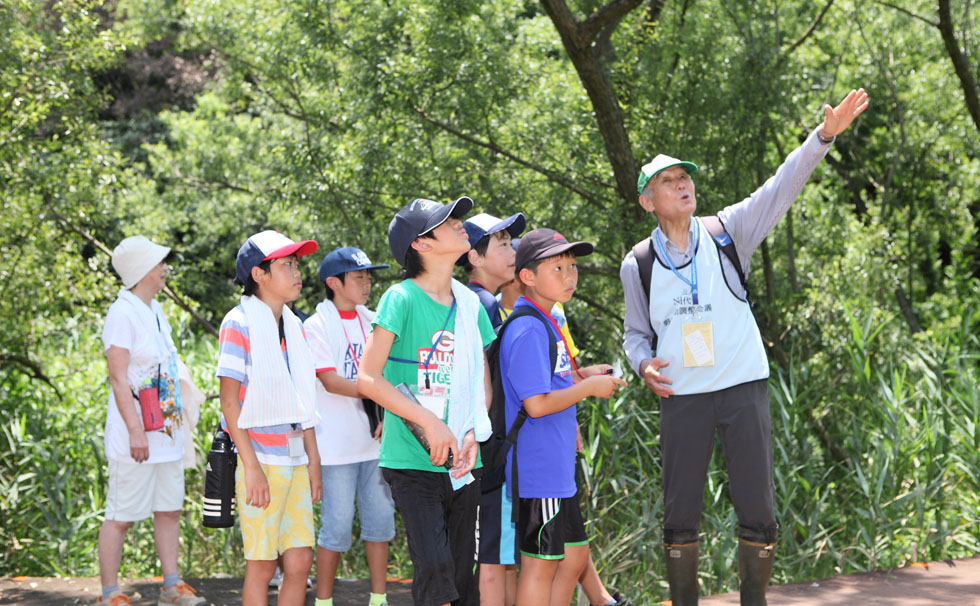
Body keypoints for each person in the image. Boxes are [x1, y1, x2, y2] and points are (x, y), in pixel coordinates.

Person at [620, 89, 869, 606]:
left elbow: (781, 187)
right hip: (683, 396)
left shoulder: (728, 231)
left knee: (758, 508)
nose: (682, 184)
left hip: (742, 388)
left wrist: (823, 137)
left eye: (684, 177)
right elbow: (635, 334)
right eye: (668, 181)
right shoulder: (637, 263)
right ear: (648, 200)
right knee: (680, 513)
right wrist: (642, 363)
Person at [358, 196, 495, 606]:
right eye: (447, 222)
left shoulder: (470, 304)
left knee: (460, 573)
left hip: (464, 459)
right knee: (434, 570)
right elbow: (368, 377)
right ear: (422, 244)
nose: (459, 224)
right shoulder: (399, 298)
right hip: (410, 460)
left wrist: (471, 431)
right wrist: (430, 422)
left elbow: (481, 383)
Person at [499, 248, 633, 606]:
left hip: (557, 464)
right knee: (540, 564)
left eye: (572, 267)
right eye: (557, 268)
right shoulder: (527, 327)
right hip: (539, 465)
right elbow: (536, 404)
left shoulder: (549, 320)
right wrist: (587, 389)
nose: (569, 276)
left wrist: (582, 376)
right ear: (527, 277)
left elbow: (551, 384)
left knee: (572, 556)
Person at [217, 230, 323, 606]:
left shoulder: (293, 325)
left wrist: (313, 459)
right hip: (260, 458)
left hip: (294, 459)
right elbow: (228, 402)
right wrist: (251, 467)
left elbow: (303, 400)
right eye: (286, 265)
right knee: (261, 565)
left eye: (297, 264)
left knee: (300, 560)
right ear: (259, 275)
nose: (297, 273)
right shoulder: (239, 322)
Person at [98, 236, 206, 606]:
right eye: (160, 263)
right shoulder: (122, 313)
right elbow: (117, 377)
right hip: (137, 434)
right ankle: (109, 593)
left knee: (169, 508)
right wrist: (134, 432)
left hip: (167, 430)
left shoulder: (154, 309)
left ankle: (171, 586)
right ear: (143, 270)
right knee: (121, 515)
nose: (164, 269)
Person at [304, 246, 395, 606]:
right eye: (359, 276)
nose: (367, 283)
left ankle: (379, 599)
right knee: (336, 529)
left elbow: (388, 374)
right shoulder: (315, 325)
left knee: (381, 524)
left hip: (374, 443)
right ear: (334, 283)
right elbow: (329, 380)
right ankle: (324, 601)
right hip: (334, 447)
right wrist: (379, 390)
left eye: (369, 276)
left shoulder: (373, 319)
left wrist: (389, 411)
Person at [458, 211, 525, 606]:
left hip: (491, 447)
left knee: (501, 555)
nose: (512, 250)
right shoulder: (480, 304)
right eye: (501, 244)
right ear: (474, 257)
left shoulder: (487, 303)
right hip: (487, 450)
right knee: (492, 557)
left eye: (511, 243)